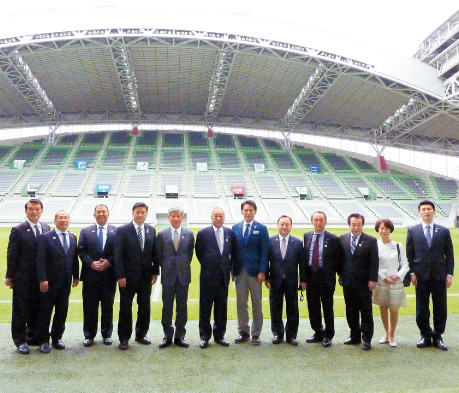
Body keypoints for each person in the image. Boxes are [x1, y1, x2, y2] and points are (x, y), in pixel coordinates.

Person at [406, 200, 454, 351]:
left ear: (434, 211)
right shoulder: (413, 231)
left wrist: (449, 274)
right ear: (419, 212)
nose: (426, 212)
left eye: (429, 209)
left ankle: (438, 335)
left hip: (439, 275)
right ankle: (425, 335)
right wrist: (412, 273)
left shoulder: (444, 231)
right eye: (423, 209)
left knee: (440, 307)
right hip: (420, 276)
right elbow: (409, 254)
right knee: (422, 308)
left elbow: (450, 255)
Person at [5, 199, 51, 355]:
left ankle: (33, 336)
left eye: (37, 209)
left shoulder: (46, 228)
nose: (34, 212)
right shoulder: (18, 230)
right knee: (20, 310)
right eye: (31, 209)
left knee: (37, 308)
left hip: (41, 278)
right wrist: (9, 276)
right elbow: (12, 255)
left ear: (42, 211)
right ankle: (20, 340)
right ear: (26, 211)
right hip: (23, 278)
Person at [114, 202, 158, 350]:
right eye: (137, 212)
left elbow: (154, 253)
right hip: (127, 277)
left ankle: (141, 334)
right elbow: (118, 255)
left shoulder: (151, 230)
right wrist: (120, 275)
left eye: (143, 212)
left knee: (144, 307)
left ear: (146, 214)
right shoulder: (122, 230)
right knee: (125, 308)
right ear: (132, 213)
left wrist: (154, 272)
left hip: (145, 277)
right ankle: (124, 338)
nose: (140, 215)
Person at [36, 210, 79, 354]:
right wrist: (42, 279)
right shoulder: (46, 237)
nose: (63, 220)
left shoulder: (73, 237)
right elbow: (40, 260)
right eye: (60, 218)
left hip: (65, 283)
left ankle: (57, 338)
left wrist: (76, 276)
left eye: (65, 218)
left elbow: (73, 259)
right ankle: (43, 341)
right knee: (45, 312)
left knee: (62, 311)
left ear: (69, 220)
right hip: (49, 283)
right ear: (55, 220)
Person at [78, 204, 117, 347]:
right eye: (98, 212)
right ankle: (89, 335)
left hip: (109, 276)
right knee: (89, 307)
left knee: (108, 306)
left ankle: (107, 334)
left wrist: (108, 262)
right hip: (90, 276)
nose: (101, 214)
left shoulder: (116, 231)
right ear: (94, 214)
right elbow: (81, 251)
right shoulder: (86, 231)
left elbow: (118, 252)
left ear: (108, 213)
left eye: (104, 211)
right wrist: (91, 263)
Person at [195, 207, 234, 348]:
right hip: (207, 277)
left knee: (221, 308)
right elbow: (199, 253)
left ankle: (219, 336)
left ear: (224, 217)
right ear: (211, 217)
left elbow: (232, 253)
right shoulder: (203, 233)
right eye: (216, 216)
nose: (218, 218)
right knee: (205, 308)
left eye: (221, 216)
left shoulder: (230, 233)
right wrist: (209, 266)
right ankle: (205, 336)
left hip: (223, 277)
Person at [156, 207, 195, 348]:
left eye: (178, 216)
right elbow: (159, 255)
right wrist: (167, 267)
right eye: (173, 216)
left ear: (182, 218)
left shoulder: (189, 234)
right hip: (168, 276)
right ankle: (167, 336)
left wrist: (181, 266)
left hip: (183, 276)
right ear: (169, 218)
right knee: (167, 307)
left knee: (182, 307)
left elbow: (189, 255)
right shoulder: (161, 235)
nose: (176, 218)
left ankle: (180, 336)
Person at [232, 200, 269, 345]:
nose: (248, 212)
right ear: (242, 211)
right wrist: (232, 270)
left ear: (255, 211)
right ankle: (244, 332)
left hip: (255, 273)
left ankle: (255, 334)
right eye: (246, 210)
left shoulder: (261, 228)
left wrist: (262, 271)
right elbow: (233, 251)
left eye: (251, 210)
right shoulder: (235, 228)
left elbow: (265, 251)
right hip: (239, 272)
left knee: (256, 304)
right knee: (241, 303)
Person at [339, 213, 378, 350]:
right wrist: (340, 276)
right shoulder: (342, 238)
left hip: (364, 283)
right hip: (348, 282)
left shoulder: (371, 240)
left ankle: (366, 338)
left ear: (363, 225)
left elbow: (374, 262)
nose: (356, 227)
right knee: (351, 310)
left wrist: (373, 279)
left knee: (366, 311)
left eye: (359, 224)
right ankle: (354, 335)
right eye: (353, 224)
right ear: (349, 225)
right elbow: (341, 260)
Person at [303, 211, 342, 347]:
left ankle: (328, 335)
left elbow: (338, 260)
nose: (318, 222)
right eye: (316, 220)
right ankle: (318, 332)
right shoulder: (307, 236)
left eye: (321, 220)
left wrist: (340, 276)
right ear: (312, 221)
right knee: (313, 307)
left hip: (326, 278)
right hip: (311, 277)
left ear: (325, 222)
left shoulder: (333, 238)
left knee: (327, 308)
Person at [266, 215, 304, 346]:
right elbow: (266, 261)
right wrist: (266, 277)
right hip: (275, 281)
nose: (284, 227)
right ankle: (277, 333)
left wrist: (303, 280)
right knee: (275, 308)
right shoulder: (270, 242)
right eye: (282, 224)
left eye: (287, 224)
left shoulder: (298, 243)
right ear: (277, 225)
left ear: (291, 226)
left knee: (292, 309)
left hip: (291, 281)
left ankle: (291, 335)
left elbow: (302, 264)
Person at [372, 219, 409, 348]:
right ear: (378, 230)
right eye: (381, 228)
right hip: (380, 282)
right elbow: (372, 265)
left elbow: (405, 265)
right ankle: (386, 334)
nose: (384, 231)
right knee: (383, 308)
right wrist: (383, 277)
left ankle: (392, 335)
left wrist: (397, 276)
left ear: (390, 230)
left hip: (396, 283)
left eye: (387, 228)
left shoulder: (398, 245)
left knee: (394, 309)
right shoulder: (374, 245)